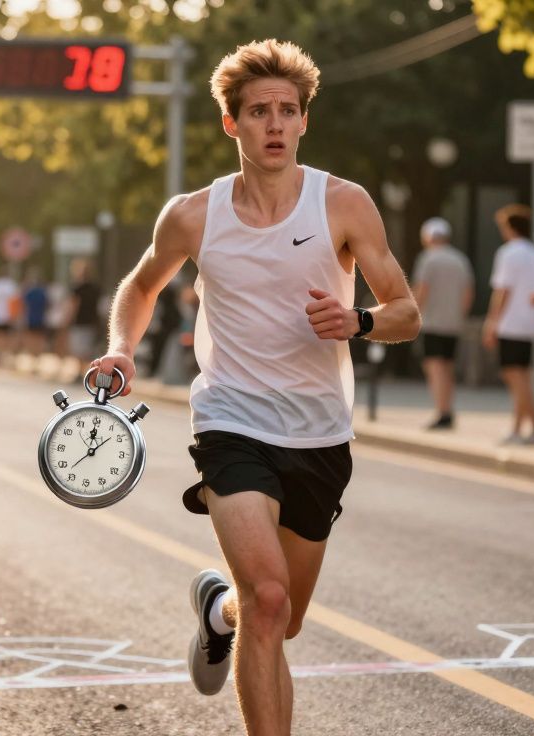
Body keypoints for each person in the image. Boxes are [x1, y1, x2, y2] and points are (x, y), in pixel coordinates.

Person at [91, 40, 419, 736]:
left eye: (288, 111)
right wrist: (122, 346)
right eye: (259, 111)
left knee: (282, 617)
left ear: (304, 122)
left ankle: (219, 613)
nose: (275, 124)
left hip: (321, 432)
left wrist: (358, 319)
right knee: (268, 599)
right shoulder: (193, 214)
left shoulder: (344, 204)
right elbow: (142, 284)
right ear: (231, 123)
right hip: (231, 422)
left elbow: (406, 312)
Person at [484, 205, 534, 444]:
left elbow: (502, 291)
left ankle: (519, 428)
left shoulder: (508, 252)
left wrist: (492, 323)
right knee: (522, 378)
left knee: (515, 378)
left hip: (510, 323)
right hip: (529, 322)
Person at [411, 217, 473, 430]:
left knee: (434, 367)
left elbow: (422, 291)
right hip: (453, 323)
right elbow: (468, 293)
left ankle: (442, 411)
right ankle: (448, 409)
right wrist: (459, 316)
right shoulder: (460, 260)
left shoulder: (428, 259)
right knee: (447, 367)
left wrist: (412, 315)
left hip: (432, 322)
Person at [67, 259, 102, 363]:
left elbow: (73, 306)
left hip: (79, 322)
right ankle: (86, 370)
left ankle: (80, 370)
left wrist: (68, 320)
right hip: (92, 321)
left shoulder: (76, 288)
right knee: (88, 348)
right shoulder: (96, 288)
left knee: (78, 349)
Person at [20, 267, 50, 356]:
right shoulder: (43, 292)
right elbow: (47, 305)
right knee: (39, 338)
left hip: (31, 318)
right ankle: (37, 355)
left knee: (31, 338)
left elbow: (24, 305)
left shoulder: (29, 292)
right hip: (40, 318)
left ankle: (32, 354)